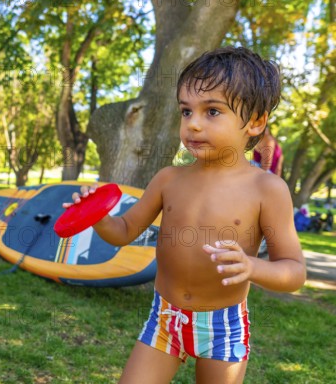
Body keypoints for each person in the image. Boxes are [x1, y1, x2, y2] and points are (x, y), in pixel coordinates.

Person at [63, 47, 306, 383]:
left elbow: (294, 272)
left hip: (223, 326)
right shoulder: (168, 179)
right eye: (186, 111)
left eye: (212, 112)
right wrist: (97, 216)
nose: (193, 124)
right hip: (165, 317)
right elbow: (123, 231)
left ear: (256, 122)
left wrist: (253, 267)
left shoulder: (267, 189)